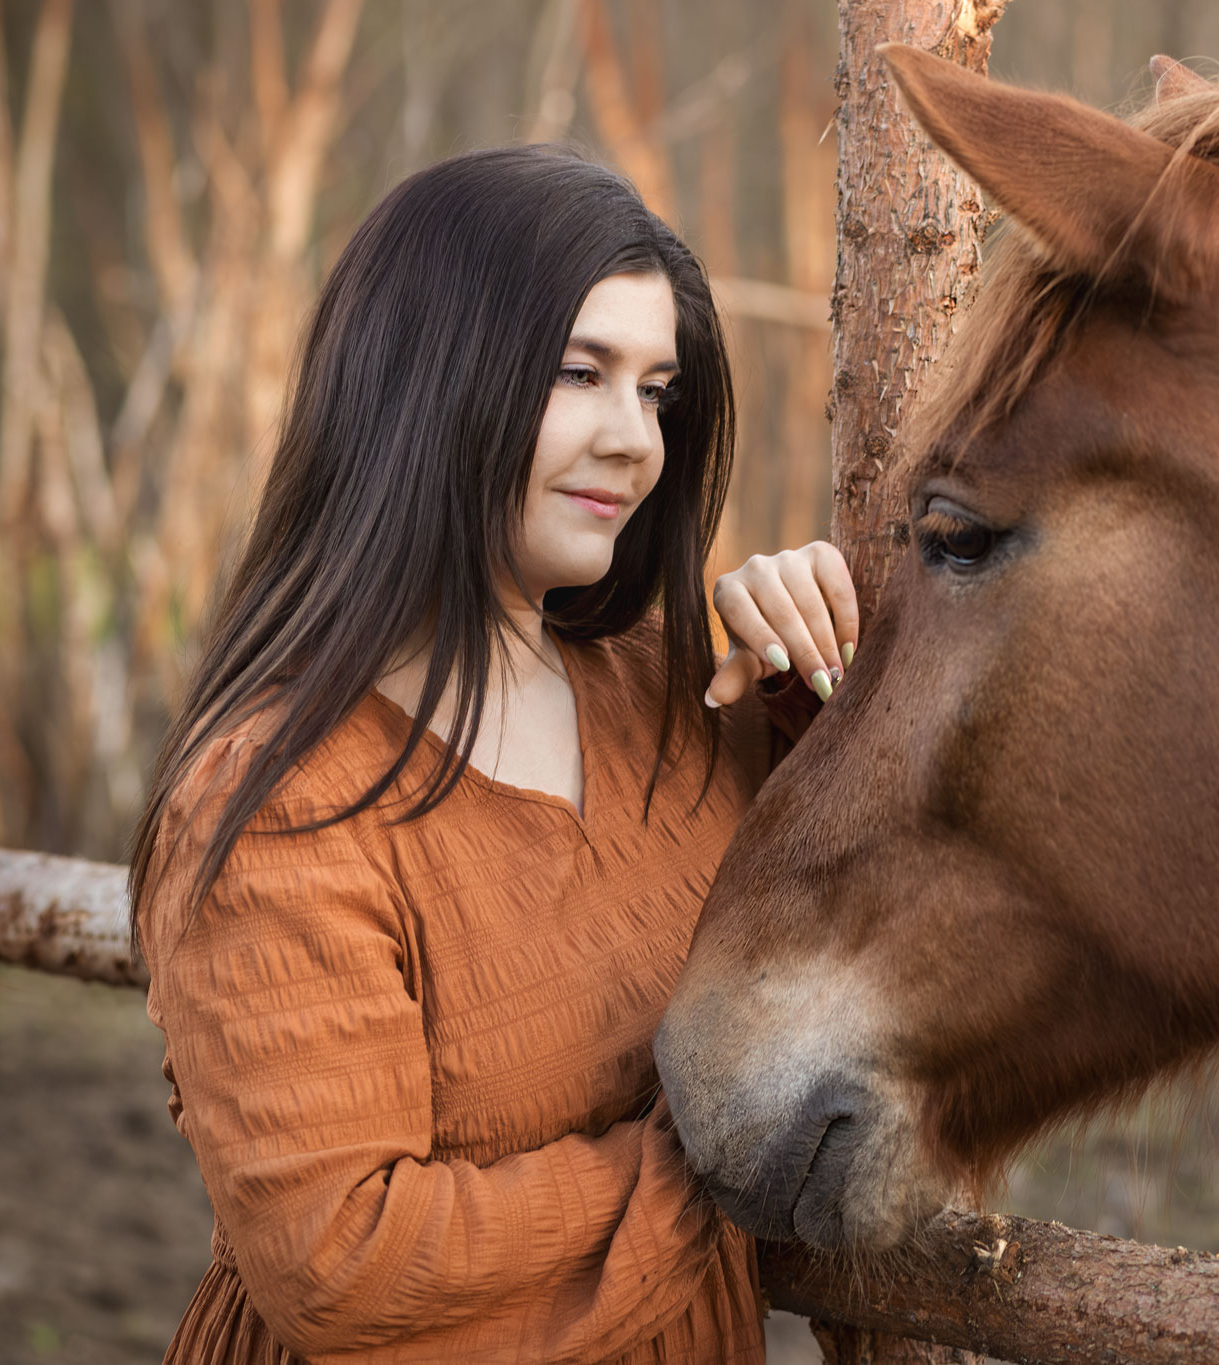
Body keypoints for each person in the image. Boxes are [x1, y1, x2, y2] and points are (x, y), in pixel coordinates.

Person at [129, 146, 858, 1364]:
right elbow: (348, 1263)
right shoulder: (273, 804)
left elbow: (926, 916)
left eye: (658, 392)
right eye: (582, 374)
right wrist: (736, 1148)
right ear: (426, 379)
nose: (635, 441)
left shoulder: (681, 696)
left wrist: (825, 683)